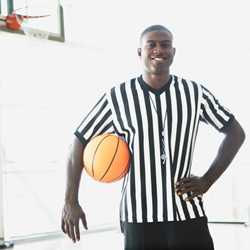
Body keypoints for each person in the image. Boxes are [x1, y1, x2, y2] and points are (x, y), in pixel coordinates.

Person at [61, 25, 245, 250]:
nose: (159, 49)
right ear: (140, 52)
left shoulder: (195, 94)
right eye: (152, 44)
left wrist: (207, 180)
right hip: (139, 216)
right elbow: (78, 140)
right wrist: (71, 200)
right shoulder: (117, 97)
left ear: (174, 52)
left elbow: (236, 133)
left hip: (187, 212)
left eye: (165, 45)